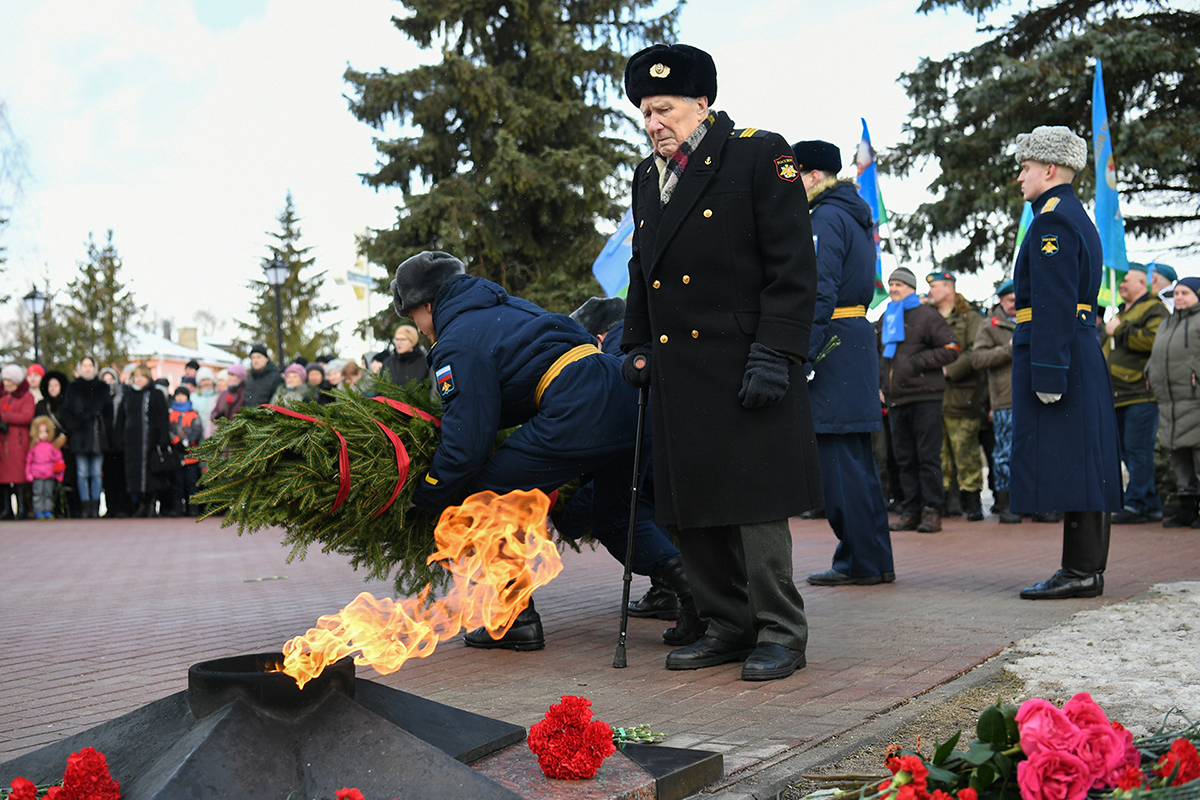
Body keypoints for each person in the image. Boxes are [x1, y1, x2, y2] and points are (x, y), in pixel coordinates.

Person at [620, 43, 819, 681]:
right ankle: (728, 625)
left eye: (665, 108)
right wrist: (636, 343)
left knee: (755, 508)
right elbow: (642, 272)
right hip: (680, 373)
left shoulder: (759, 154)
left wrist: (777, 351)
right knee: (692, 508)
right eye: (645, 113)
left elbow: (793, 265)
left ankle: (781, 632)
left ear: (701, 102)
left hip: (745, 363)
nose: (654, 123)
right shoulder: (646, 178)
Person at [393, 250, 703, 651]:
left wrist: (429, 493)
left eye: (414, 317)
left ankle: (515, 618)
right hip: (628, 401)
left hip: (579, 408)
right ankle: (697, 600)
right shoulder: (510, 308)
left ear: (428, 304)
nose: (419, 329)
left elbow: (467, 442)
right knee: (613, 519)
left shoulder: (457, 341)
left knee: (487, 500)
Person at [1009, 125, 1122, 600]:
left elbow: (1053, 302)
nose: (1020, 177)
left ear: (1049, 169)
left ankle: (1079, 570)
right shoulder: (1073, 214)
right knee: (1088, 461)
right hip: (1077, 348)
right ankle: (1085, 567)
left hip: (1060, 352)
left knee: (1078, 463)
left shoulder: (1052, 221)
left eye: (1026, 167)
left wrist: (1048, 370)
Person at [789, 139, 894, 587]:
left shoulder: (825, 218)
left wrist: (804, 350)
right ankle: (870, 558)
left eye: (794, 177)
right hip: (849, 339)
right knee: (855, 462)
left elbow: (818, 287)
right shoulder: (850, 213)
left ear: (813, 176)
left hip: (831, 339)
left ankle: (859, 561)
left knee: (837, 462)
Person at [876, 267, 959, 534]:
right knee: (904, 459)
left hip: (925, 396)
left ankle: (933, 510)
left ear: (911, 287)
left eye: (899, 284)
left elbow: (952, 348)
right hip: (897, 399)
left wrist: (915, 363)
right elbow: (878, 356)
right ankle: (911, 511)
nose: (893, 289)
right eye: (891, 284)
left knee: (928, 457)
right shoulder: (886, 316)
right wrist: (880, 385)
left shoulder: (927, 315)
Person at [1102, 263, 1168, 524]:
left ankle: (1136, 503)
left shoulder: (1154, 308)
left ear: (1142, 283)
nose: (1121, 285)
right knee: (1126, 450)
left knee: (1137, 449)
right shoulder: (1121, 311)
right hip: (1117, 392)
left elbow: (1153, 340)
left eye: (1126, 280)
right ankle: (1151, 503)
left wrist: (1119, 329)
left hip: (1140, 391)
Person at [926, 271, 988, 521]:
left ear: (949, 288)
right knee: (938, 453)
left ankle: (972, 502)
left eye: (935, 286)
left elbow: (974, 353)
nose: (930, 291)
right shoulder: (926, 317)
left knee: (966, 451)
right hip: (932, 396)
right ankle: (947, 501)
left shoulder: (970, 318)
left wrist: (947, 370)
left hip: (962, 395)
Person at [1147, 276, 1200, 528]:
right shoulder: (1167, 323)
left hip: (1195, 400)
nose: (1179, 298)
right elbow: (1158, 353)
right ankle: (1186, 508)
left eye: (1185, 293)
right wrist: (1150, 371)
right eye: (1176, 293)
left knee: (1197, 452)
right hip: (1170, 401)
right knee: (1178, 454)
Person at [970, 280, 1022, 524]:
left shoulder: (1030, 320)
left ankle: (1032, 502)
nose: (1016, 305)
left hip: (1032, 397)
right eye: (1011, 300)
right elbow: (978, 358)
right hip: (1004, 399)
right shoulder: (989, 325)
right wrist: (1009, 349)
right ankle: (1005, 502)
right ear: (1001, 300)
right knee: (1004, 453)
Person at [117, 365, 171, 517]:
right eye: (136, 376)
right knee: (134, 474)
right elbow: (121, 419)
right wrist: (119, 439)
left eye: (142, 376)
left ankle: (151, 504)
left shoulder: (156, 394)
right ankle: (140, 504)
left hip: (151, 442)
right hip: (132, 443)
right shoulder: (128, 395)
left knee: (151, 473)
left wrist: (162, 439)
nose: (138, 379)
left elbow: (163, 419)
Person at [60, 356, 110, 519]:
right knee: (82, 472)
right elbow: (67, 411)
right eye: (84, 365)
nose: (87, 368)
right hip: (79, 436)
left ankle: (94, 507)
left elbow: (108, 413)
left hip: (97, 437)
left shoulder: (102, 388)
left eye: (90, 365)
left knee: (95, 472)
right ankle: (85, 506)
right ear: (80, 367)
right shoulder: (73, 388)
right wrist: (75, 425)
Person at [0, 364, 36, 519]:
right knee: (4, 478)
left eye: (9, 381)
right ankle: (7, 509)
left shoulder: (27, 396)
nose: (6, 384)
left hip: (18, 442)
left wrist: (5, 416)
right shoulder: (3, 396)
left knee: (19, 476)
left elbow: (27, 417)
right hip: (3, 442)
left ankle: (22, 509)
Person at [167, 385, 203, 516]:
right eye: (178, 395)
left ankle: (193, 508)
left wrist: (188, 442)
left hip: (191, 455)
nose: (180, 398)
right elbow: (169, 429)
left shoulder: (193, 413)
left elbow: (197, 429)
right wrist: (176, 441)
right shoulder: (170, 413)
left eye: (183, 395)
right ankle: (177, 508)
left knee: (192, 482)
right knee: (177, 483)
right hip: (176, 455)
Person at [26, 416, 66, 519]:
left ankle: (48, 510)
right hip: (37, 474)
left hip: (50, 474)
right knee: (38, 493)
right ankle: (39, 511)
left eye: (46, 432)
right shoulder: (33, 447)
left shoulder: (53, 446)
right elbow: (28, 461)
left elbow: (59, 461)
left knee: (48, 493)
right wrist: (28, 473)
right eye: (41, 432)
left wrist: (60, 473)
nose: (43, 435)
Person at [382, 323, 429, 388]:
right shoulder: (388, 362)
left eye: (403, 339)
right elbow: (381, 388)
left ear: (413, 343)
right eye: (397, 339)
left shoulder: (424, 363)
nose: (399, 343)